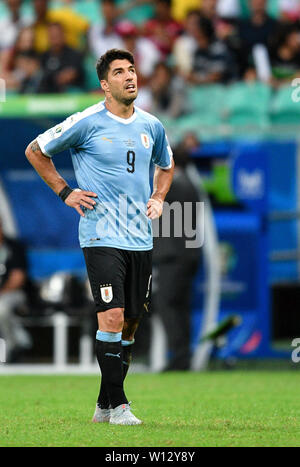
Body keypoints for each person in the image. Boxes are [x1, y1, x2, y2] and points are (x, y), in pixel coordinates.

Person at [25, 48, 174, 425]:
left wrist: (157, 197)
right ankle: (121, 405)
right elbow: (36, 150)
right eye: (120, 72)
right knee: (112, 316)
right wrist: (65, 191)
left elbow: (166, 166)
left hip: (140, 238)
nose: (130, 77)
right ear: (105, 85)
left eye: (132, 70)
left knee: (129, 325)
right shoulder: (87, 121)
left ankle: (104, 405)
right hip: (101, 234)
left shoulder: (152, 126)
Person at [152, 136, 201, 371]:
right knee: (180, 306)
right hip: (186, 255)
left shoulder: (175, 184)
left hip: (174, 257)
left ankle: (179, 357)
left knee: (168, 305)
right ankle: (182, 357)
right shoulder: (189, 183)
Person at [0, 218, 30, 362]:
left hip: (12, 293)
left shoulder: (13, 247)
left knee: (1, 307)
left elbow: (17, 278)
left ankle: (12, 347)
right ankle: (21, 339)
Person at [38, 22, 85, 93]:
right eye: (52, 36)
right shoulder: (44, 56)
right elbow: (41, 75)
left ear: (63, 36)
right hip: (47, 93)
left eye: (57, 36)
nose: (55, 40)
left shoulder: (74, 54)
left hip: (69, 93)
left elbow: (73, 74)